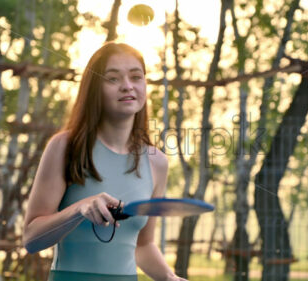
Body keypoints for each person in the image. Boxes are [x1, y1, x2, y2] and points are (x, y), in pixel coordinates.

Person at [23, 42, 186, 281]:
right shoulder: (65, 147)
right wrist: (79, 209)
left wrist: (169, 277)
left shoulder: (157, 162)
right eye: (113, 79)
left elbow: (143, 246)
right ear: (94, 89)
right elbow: (31, 239)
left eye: (136, 76)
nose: (127, 86)